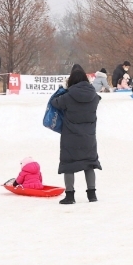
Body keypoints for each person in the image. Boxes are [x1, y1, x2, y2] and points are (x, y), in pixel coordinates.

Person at [51, 65, 101, 204]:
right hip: (89, 137)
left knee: (69, 164)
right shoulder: (94, 96)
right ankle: (92, 195)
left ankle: (70, 195)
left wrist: (63, 91)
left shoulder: (68, 96)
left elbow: (55, 103)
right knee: (90, 164)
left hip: (71, 136)